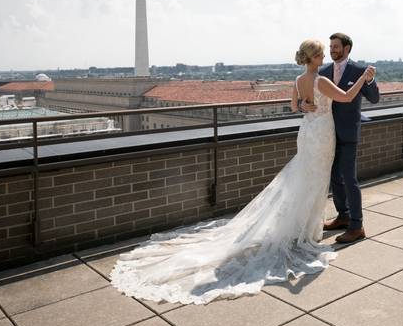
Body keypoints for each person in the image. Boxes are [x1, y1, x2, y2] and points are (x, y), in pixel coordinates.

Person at [110, 39, 373, 305]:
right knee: (315, 181)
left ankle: (305, 226)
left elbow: (294, 107)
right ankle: (307, 230)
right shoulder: (322, 81)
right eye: (322, 53)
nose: (326, 56)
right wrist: (364, 77)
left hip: (307, 133)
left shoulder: (297, 80)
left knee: (304, 178)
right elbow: (348, 96)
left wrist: (305, 107)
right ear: (315, 57)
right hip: (323, 134)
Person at [314, 32, 380, 244]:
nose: (332, 49)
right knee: (334, 177)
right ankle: (342, 216)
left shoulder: (360, 70)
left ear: (347, 48)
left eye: (336, 46)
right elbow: (313, 99)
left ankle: (357, 225)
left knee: (349, 179)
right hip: (327, 133)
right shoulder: (322, 71)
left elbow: (375, 99)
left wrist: (369, 81)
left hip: (349, 133)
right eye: (330, 46)